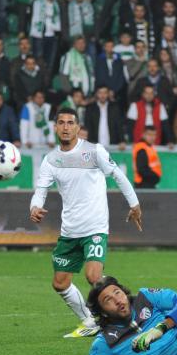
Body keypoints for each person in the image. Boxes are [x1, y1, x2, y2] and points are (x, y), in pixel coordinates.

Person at [30, 107, 142, 339]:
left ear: (78, 127)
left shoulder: (94, 151)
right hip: (70, 230)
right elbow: (40, 190)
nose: (66, 127)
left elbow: (118, 175)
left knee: (93, 276)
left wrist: (134, 204)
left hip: (95, 227)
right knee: (60, 283)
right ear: (55, 127)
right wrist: (35, 207)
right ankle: (90, 321)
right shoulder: (50, 160)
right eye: (61, 123)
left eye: (70, 123)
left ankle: (129, 316)